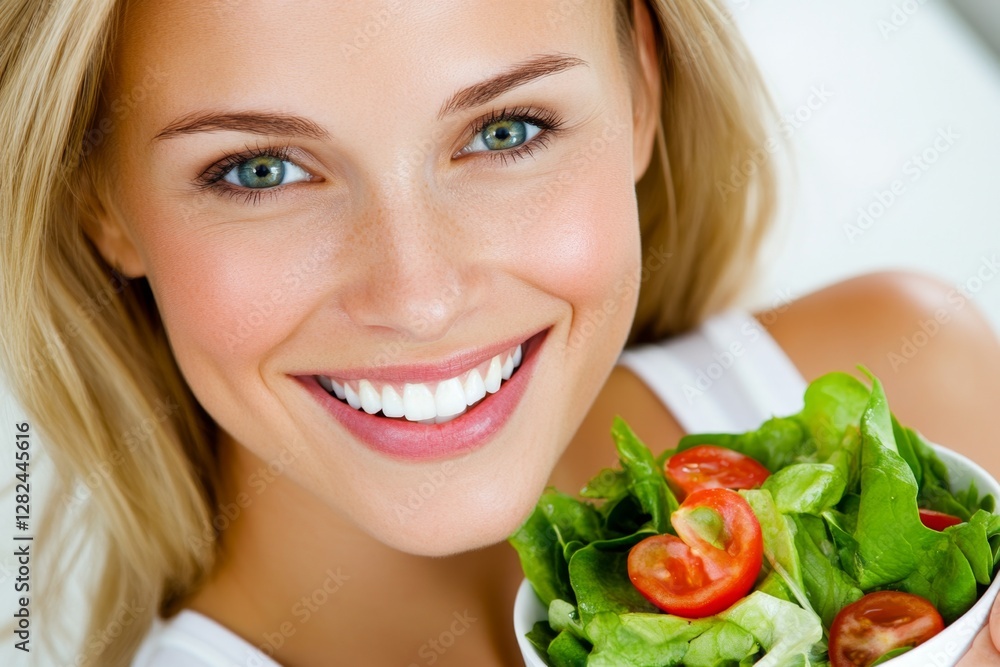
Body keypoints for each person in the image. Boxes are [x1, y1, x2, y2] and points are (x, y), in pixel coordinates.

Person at [1, 0, 998, 665]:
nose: (419, 295)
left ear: (640, 93)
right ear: (104, 200)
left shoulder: (916, 396)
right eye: (261, 169)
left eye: (506, 131)